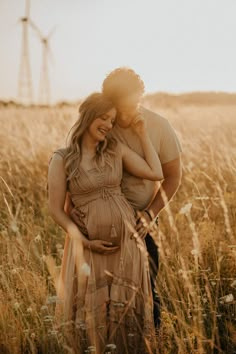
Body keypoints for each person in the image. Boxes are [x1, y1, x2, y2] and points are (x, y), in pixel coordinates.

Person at [48, 92, 164, 353]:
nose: (109, 125)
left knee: (126, 311)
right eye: (103, 118)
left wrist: (143, 133)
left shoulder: (115, 150)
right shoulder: (62, 159)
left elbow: (156, 172)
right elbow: (56, 210)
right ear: (87, 116)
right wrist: (85, 241)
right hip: (89, 248)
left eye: (112, 120)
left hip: (127, 244)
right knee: (93, 314)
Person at [102, 67, 182, 328]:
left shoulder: (159, 125)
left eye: (133, 104)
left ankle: (152, 341)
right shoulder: (101, 123)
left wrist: (150, 214)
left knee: (148, 291)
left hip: (142, 222)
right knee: (103, 294)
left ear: (140, 96)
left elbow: (172, 177)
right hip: (102, 222)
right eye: (120, 107)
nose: (126, 115)